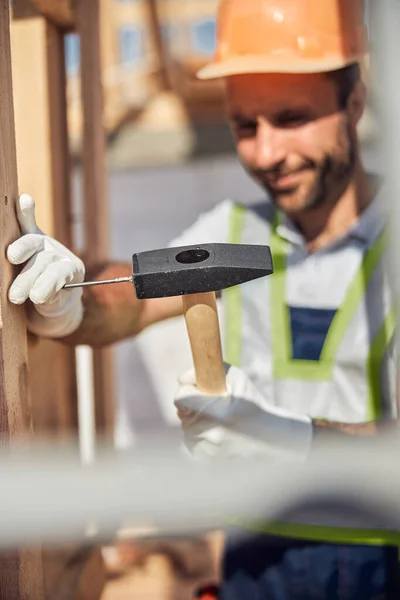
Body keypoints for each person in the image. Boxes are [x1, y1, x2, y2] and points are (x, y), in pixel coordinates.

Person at [6, 0, 399, 597]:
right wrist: (70, 304)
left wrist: (296, 447)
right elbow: (132, 301)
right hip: (255, 562)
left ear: (355, 102)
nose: (266, 154)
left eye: (291, 118)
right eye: (246, 126)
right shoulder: (234, 229)